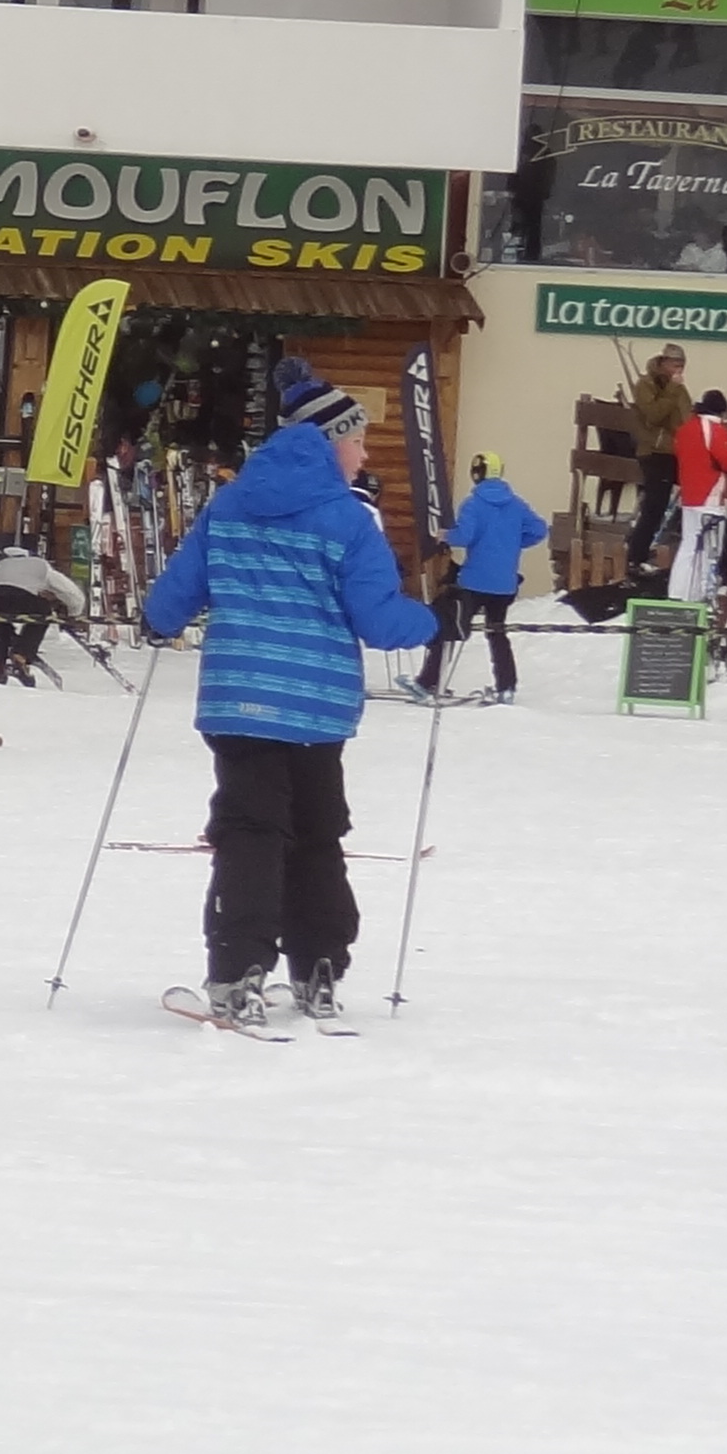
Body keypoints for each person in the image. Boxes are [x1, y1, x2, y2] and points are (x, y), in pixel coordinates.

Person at [141, 362, 439, 1027]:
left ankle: (238, 967)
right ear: (331, 444)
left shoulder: (229, 505)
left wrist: (158, 621)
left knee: (249, 832)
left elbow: (174, 595)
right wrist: (432, 619)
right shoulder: (349, 520)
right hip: (316, 708)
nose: (364, 454)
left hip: (239, 702)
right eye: (357, 441)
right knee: (316, 834)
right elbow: (378, 620)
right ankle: (319, 966)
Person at [421, 455, 546, 702]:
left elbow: (464, 537)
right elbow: (540, 530)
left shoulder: (473, 504)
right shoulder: (517, 504)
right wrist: (515, 543)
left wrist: (445, 535)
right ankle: (506, 687)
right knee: (497, 633)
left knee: (450, 626)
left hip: (474, 582)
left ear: (476, 473)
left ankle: (428, 682)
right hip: (505, 585)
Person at [0, 529, 88, 687]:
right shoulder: (40, 565)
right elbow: (72, 593)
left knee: (0, 620)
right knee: (42, 614)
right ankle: (21, 654)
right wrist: (73, 615)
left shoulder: (1, 564)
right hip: (20, 594)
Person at [620, 349, 693, 576]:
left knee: (681, 499)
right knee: (655, 505)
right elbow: (653, 415)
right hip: (654, 451)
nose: (678, 370)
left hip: (675, 451)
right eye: (674, 365)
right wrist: (671, 390)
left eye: (681, 365)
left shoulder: (678, 388)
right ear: (662, 364)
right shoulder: (647, 385)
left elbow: (685, 417)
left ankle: (662, 549)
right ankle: (636, 556)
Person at [667, 387, 727, 606]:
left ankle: (678, 592)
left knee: (689, 544)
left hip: (689, 494)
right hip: (710, 495)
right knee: (709, 549)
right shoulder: (715, 430)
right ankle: (699, 595)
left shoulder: (685, 429)